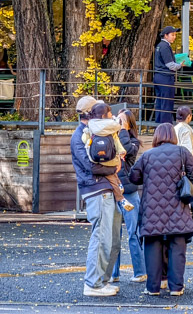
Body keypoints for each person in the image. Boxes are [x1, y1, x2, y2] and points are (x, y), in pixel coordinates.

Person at [127, 122, 193, 297]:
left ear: (156, 137)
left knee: (152, 245)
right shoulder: (182, 152)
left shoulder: (148, 155)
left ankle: (153, 288)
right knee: (177, 247)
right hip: (178, 208)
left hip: (152, 210)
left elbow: (134, 177)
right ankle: (176, 287)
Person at [71, 98, 122, 296]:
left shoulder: (94, 132)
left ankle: (101, 281)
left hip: (105, 189)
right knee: (101, 238)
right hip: (97, 190)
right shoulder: (80, 136)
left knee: (110, 239)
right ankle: (93, 284)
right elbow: (90, 166)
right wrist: (114, 167)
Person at [114, 108, 145, 284]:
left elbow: (125, 150)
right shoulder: (111, 139)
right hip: (114, 191)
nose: (118, 123)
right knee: (114, 235)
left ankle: (140, 272)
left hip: (130, 192)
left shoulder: (133, 142)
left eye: (121, 120)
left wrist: (123, 130)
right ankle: (113, 273)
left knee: (133, 232)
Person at [152, 26, 183, 124]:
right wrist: (180, 65)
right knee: (167, 103)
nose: (174, 37)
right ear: (166, 35)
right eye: (172, 35)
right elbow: (171, 65)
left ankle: (159, 125)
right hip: (165, 77)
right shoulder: (165, 46)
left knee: (160, 103)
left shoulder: (159, 46)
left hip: (158, 76)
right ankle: (166, 126)